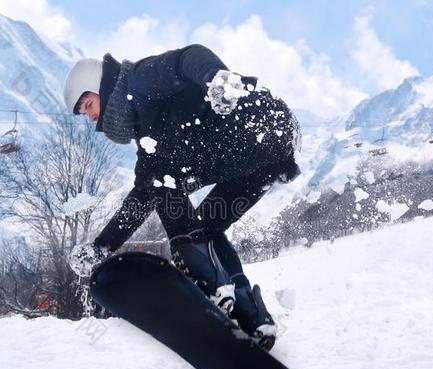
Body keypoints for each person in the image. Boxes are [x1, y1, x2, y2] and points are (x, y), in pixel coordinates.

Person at [65, 44, 301, 351]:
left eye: (87, 103)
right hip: (266, 155)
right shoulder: (149, 142)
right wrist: (101, 248)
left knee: (162, 181)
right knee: (204, 223)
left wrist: (216, 78)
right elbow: (139, 201)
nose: (89, 116)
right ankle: (253, 319)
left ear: (100, 84)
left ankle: (211, 287)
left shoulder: (138, 80)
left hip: (256, 125)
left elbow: (187, 57)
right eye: (84, 112)